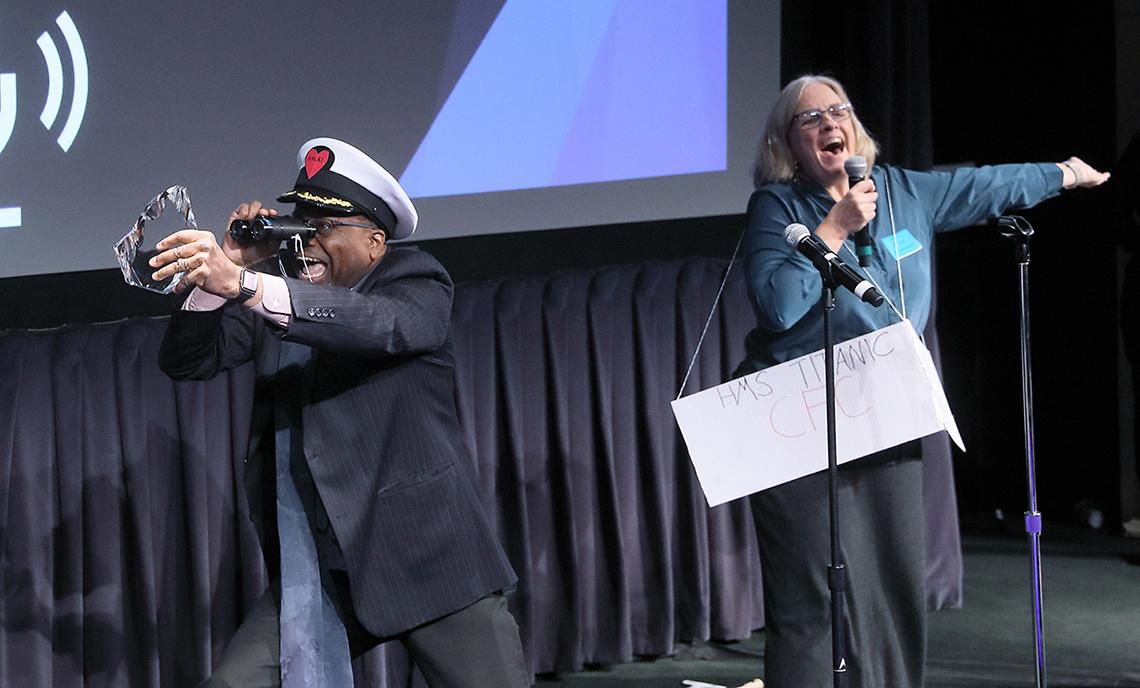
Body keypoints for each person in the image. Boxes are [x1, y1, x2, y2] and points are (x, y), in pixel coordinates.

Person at [735, 75, 1109, 687]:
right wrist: (833, 229)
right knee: (809, 598)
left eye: (839, 111)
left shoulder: (904, 192)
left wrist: (1063, 173)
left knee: (892, 583)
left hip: (886, 407)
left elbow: (988, 185)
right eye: (811, 119)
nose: (830, 123)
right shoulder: (776, 208)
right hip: (793, 417)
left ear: (855, 128)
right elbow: (777, 307)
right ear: (787, 144)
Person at [150, 137, 530, 687]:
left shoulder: (415, 280)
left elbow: (371, 324)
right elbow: (187, 362)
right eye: (299, 224)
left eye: (324, 227)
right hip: (325, 571)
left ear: (376, 242)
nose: (305, 241)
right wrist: (225, 273)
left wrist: (248, 285)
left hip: (429, 561)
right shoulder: (278, 293)